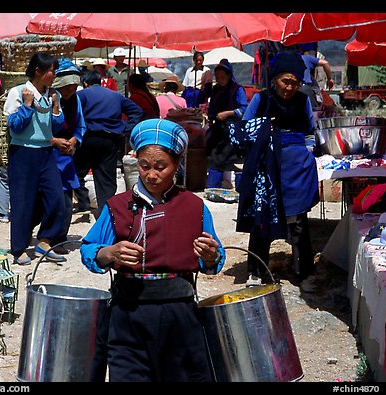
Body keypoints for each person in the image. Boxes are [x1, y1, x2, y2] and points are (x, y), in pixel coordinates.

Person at [80, 117, 226, 382]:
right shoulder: (116, 206)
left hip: (179, 316)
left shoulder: (194, 207)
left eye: (161, 167)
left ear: (177, 164)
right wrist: (109, 253)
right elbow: (90, 250)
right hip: (128, 314)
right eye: (144, 166)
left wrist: (211, 255)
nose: (151, 174)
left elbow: (215, 260)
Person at [235, 51, 319, 287]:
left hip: (296, 168)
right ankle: (256, 270)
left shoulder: (303, 101)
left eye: (295, 82)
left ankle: (303, 272)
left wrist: (308, 153)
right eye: (286, 81)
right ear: (275, 79)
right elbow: (244, 129)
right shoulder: (261, 100)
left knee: (299, 219)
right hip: (267, 165)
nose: (290, 87)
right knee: (263, 217)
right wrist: (263, 127)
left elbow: (311, 132)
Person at [3, 51, 66, 265]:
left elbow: (56, 126)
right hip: (23, 153)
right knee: (23, 201)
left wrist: (56, 106)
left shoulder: (51, 94)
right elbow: (14, 126)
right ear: (38, 71)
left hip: (46, 152)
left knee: (56, 197)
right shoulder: (18, 92)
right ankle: (19, 248)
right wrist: (28, 106)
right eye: (51, 70)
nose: (54, 75)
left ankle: (45, 240)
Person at [72, 69, 143, 217]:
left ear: (85, 83)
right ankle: (107, 212)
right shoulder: (116, 96)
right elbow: (136, 111)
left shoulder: (81, 95)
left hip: (88, 139)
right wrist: (126, 129)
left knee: (75, 173)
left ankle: (84, 202)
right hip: (111, 140)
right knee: (106, 178)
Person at [36, 58, 87, 254]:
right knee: (51, 198)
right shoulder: (47, 99)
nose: (71, 91)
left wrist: (74, 140)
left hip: (66, 157)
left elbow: (81, 126)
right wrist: (54, 141)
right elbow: (37, 129)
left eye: (74, 87)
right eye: (68, 87)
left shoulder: (76, 101)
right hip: (47, 155)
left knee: (66, 200)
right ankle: (45, 237)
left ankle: (59, 238)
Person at [205, 59, 248, 190]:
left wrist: (228, 113)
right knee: (215, 158)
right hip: (218, 130)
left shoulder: (237, 89)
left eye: (222, 77)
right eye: (217, 77)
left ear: (229, 76)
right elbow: (212, 107)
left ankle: (241, 188)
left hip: (233, 130)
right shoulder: (216, 89)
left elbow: (244, 109)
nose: (220, 80)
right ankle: (214, 186)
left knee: (236, 158)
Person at [298, 45, 334, 112]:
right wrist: (329, 79)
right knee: (311, 113)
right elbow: (325, 63)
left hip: (294, 89)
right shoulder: (306, 58)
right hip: (305, 89)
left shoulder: (290, 59)